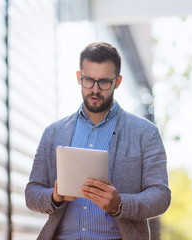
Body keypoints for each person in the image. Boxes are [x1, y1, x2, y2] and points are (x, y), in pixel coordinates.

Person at [25, 42, 171, 240]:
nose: (94, 89)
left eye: (103, 82)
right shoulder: (53, 133)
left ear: (117, 81)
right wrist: (55, 196)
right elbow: (32, 193)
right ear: (79, 77)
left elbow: (161, 196)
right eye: (88, 80)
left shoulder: (145, 133)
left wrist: (119, 204)